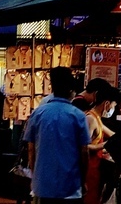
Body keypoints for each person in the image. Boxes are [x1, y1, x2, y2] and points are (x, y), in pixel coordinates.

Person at [24, 65, 90, 202]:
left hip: (44, 185)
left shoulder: (38, 113)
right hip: (70, 185)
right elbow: (84, 152)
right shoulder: (78, 115)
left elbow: (31, 149)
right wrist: (82, 180)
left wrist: (34, 177)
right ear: (71, 89)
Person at [83, 83, 116, 204]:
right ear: (107, 103)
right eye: (113, 105)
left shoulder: (97, 118)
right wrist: (104, 145)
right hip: (88, 171)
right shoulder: (90, 119)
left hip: (95, 169)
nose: (112, 109)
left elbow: (113, 135)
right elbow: (83, 146)